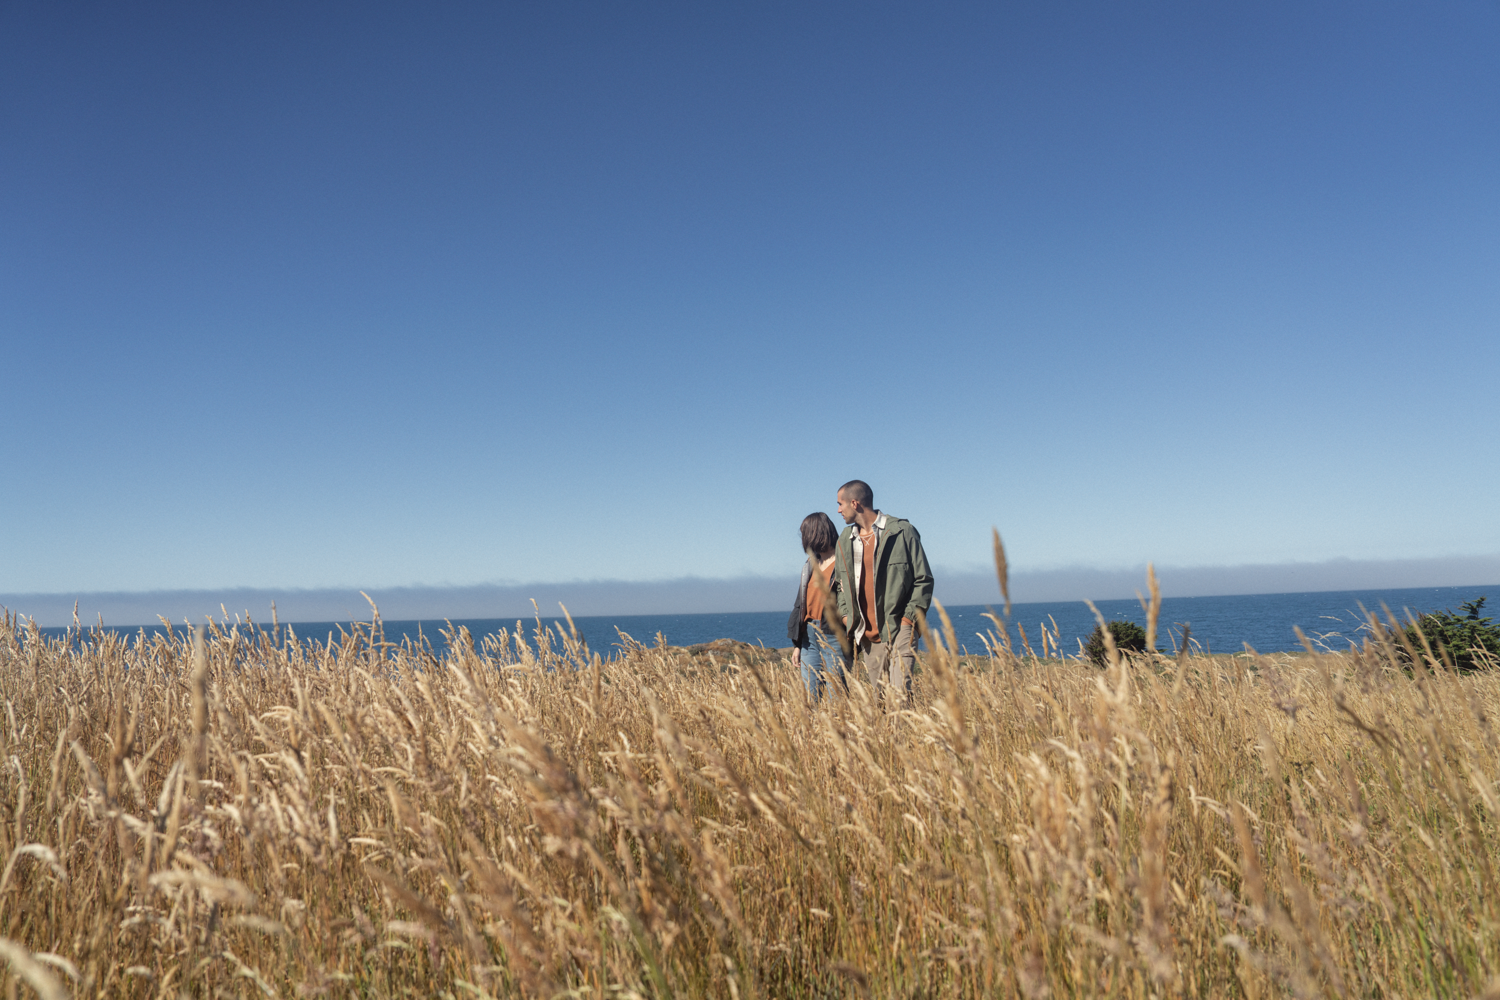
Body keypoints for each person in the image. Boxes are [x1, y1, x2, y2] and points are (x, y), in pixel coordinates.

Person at [833, 480, 933, 705]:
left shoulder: (901, 531)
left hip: (899, 629)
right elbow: (840, 585)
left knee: (900, 700)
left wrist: (909, 620)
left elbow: (923, 579)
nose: (838, 510)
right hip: (868, 637)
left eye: (841, 504)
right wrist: (847, 615)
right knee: (880, 704)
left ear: (855, 503)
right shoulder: (844, 540)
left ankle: (906, 740)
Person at [787, 512, 848, 703]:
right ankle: (814, 732)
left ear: (816, 533)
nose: (804, 540)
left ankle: (839, 731)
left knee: (836, 694)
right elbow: (801, 602)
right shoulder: (810, 564)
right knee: (809, 695)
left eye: (806, 534)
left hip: (834, 633)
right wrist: (797, 644)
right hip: (808, 635)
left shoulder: (843, 561)